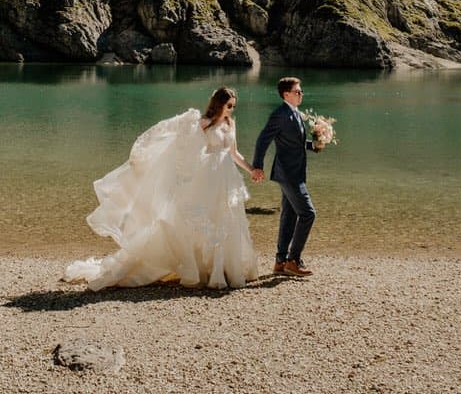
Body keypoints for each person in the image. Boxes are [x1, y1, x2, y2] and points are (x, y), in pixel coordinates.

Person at [64, 86, 258, 290]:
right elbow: (182, 146)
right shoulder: (204, 123)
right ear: (218, 104)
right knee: (205, 222)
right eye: (229, 106)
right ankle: (205, 270)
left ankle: (225, 269)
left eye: (233, 106)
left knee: (228, 219)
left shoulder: (230, 124)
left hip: (228, 178)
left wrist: (252, 169)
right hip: (208, 177)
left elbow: (234, 154)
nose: (231, 110)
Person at [251, 76, 320, 277]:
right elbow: (263, 140)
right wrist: (257, 166)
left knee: (289, 216)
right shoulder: (280, 114)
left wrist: (314, 145)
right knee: (308, 214)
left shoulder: (295, 113)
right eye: (297, 91)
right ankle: (293, 260)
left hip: (295, 172)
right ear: (286, 94)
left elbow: (295, 142)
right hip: (288, 174)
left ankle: (280, 262)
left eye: (301, 91)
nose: (301, 94)